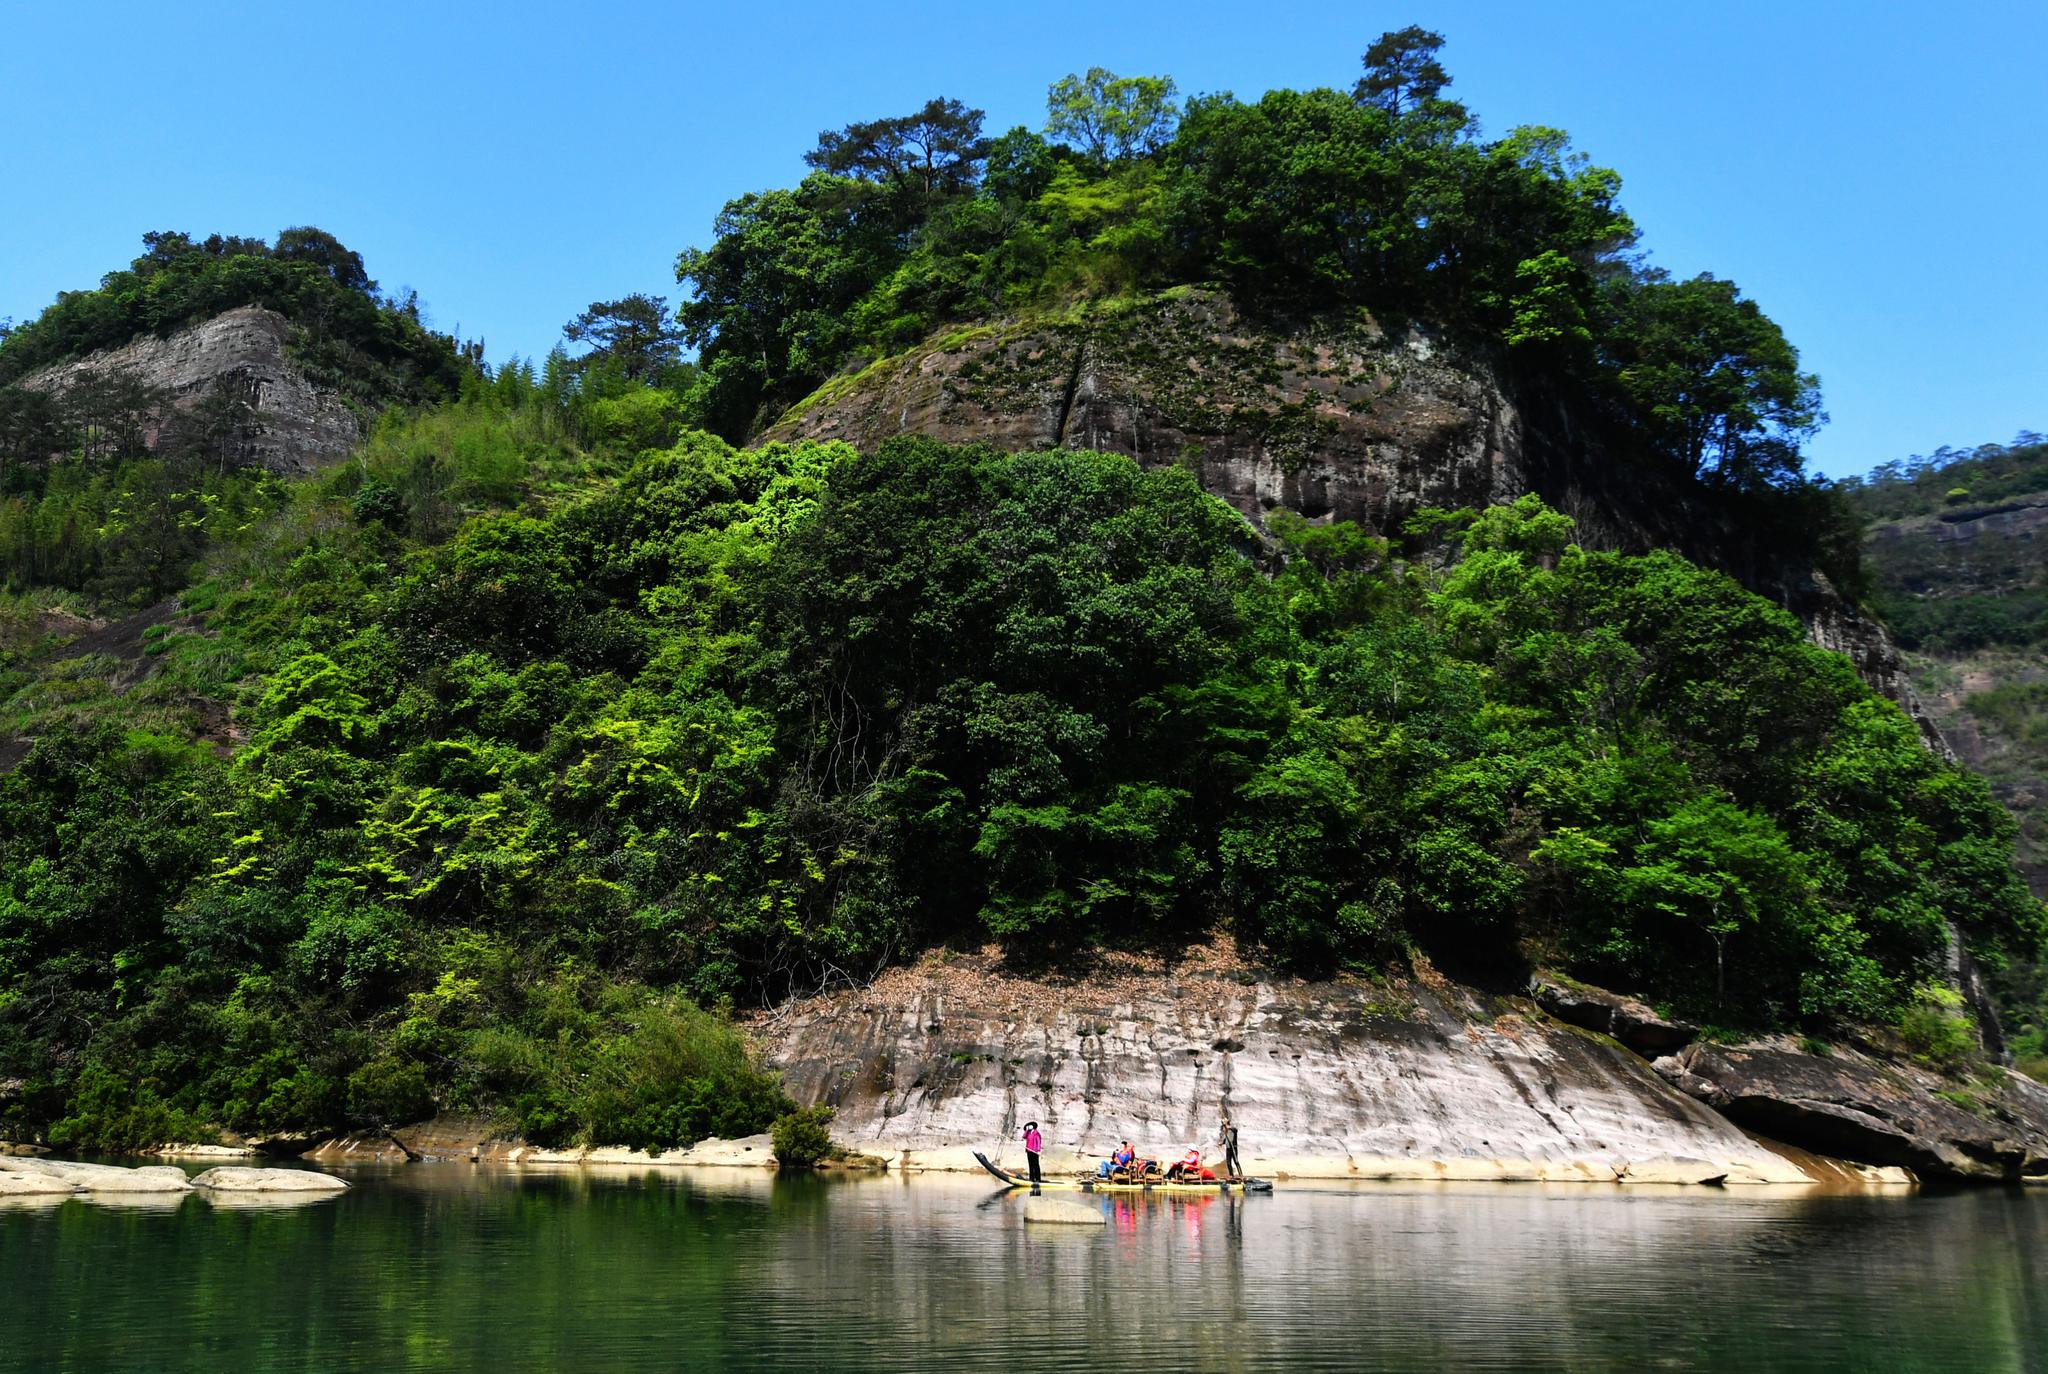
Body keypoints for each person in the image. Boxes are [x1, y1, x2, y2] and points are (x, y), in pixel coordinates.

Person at [1221, 1112, 1241, 1179]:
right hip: (1228, 1148)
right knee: (1228, 1162)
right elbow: (1227, 1138)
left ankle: (1240, 1174)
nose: (1223, 1126)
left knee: (1236, 1161)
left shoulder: (1233, 1129)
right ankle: (1231, 1175)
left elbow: (1235, 1130)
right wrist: (1222, 1142)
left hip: (1233, 1148)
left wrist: (1228, 1128)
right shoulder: (1226, 1130)